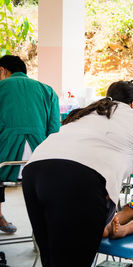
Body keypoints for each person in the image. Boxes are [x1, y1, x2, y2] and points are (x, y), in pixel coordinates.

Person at [21, 81, 133, 267]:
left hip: (35, 171)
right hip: (78, 180)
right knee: (74, 259)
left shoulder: (88, 113)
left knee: (51, 255)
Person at [0, 55, 60, 234]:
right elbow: (54, 133)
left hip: (4, 168)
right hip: (39, 167)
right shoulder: (47, 90)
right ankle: (42, 230)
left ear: (2, 71)